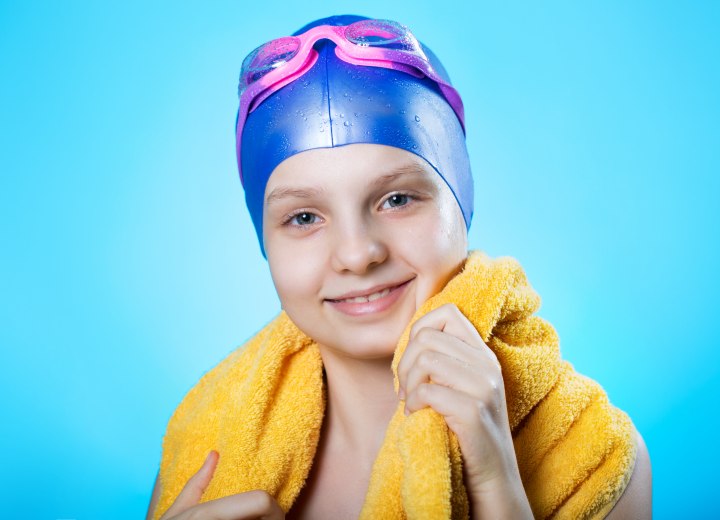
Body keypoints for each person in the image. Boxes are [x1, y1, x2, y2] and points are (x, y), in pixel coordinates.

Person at [147, 14, 652, 520]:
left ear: (461, 202)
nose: (357, 253)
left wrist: (499, 487)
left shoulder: (592, 455)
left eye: (396, 199)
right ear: (265, 240)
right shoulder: (206, 435)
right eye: (303, 217)